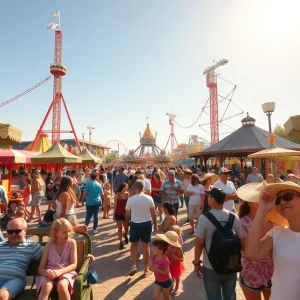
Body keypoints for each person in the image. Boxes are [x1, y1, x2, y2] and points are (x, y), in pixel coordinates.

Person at [245, 181, 300, 300]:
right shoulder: (277, 233)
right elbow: (252, 253)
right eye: (278, 200)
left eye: (288, 196)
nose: (283, 202)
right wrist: (261, 211)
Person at [194, 188, 241, 300]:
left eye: (209, 196)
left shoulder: (204, 218)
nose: (207, 198)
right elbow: (241, 241)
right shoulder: (234, 217)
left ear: (213, 200)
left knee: (214, 297)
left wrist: (196, 263)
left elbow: (199, 243)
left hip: (210, 265)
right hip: (231, 263)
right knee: (230, 296)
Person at [237, 182, 274, 300]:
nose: (263, 203)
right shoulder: (242, 222)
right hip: (251, 272)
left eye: (266, 199)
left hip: (272, 272)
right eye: (258, 200)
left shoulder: (275, 220)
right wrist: (265, 231)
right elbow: (244, 248)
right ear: (248, 202)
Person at [0, 218, 44, 299]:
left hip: (13, 280)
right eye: (10, 232)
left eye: (17, 231)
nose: (13, 234)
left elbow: (51, 256)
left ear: (25, 230)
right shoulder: (0, 245)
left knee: (2, 296)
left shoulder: (32, 246)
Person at [36, 218, 77, 300]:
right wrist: (46, 272)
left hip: (65, 272)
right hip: (50, 274)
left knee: (62, 286)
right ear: (56, 233)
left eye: (69, 231)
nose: (68, 234)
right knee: (46, 286)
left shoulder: (71, 243)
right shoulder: (49, 245)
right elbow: (40, 269)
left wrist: (60, 271)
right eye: (64, 232)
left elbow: (74, 264)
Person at [125, 180, 157, 277]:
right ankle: (146, 269)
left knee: (133, 245)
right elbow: (153, 213)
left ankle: (134, 265)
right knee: (145, 246)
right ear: (143, 187)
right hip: (147, 223)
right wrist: (155, 223)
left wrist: (127, 222)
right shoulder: (149, 198)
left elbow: (126, 214)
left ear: (135, 187)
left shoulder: (131, 199)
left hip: (135, 224)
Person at [163, 231, 184, 295]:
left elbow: (182, 259)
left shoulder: (178, 248)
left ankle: (177, 286)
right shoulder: (164, 246)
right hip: (168, 265)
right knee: (171, 276)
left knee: (177, 276)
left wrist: (176, 258)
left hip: (175, 265)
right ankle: (172, 285)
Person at [113, 182, 129, 250]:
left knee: (126, 228)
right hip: (118, 214)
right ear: (122, 187)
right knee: (119, 228)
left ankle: (125, 235)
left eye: (127, 187)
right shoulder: (117, 194)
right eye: (126, 187)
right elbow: (115, 205)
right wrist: (113, 214)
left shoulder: (128, 194)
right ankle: (121, 242)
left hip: (125, 214)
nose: (127, 188)